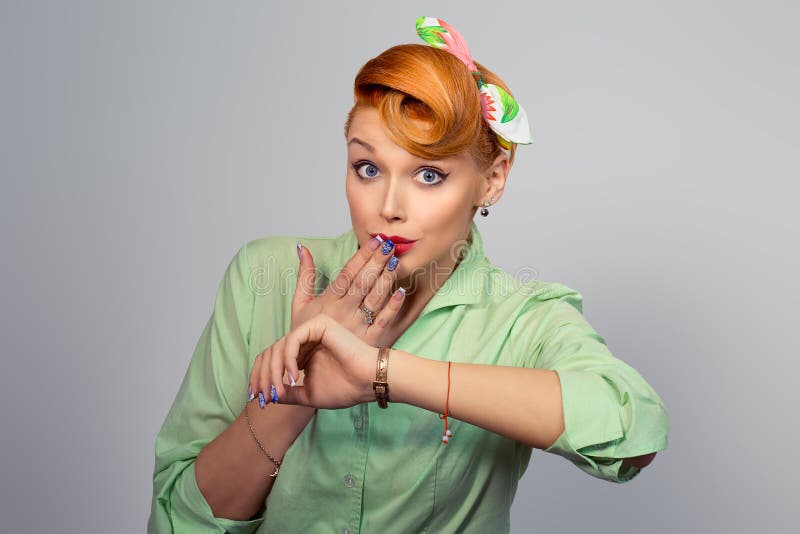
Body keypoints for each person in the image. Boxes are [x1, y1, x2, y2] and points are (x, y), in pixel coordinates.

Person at [148, 17, 669, 533]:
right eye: (368, 169)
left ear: (491, 182)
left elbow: (633, 433)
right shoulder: (267, 275)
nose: (389, 207)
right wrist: (294, 398)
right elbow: (178, 520)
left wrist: (380, 372)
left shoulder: (521, 319)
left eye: (428, 174)